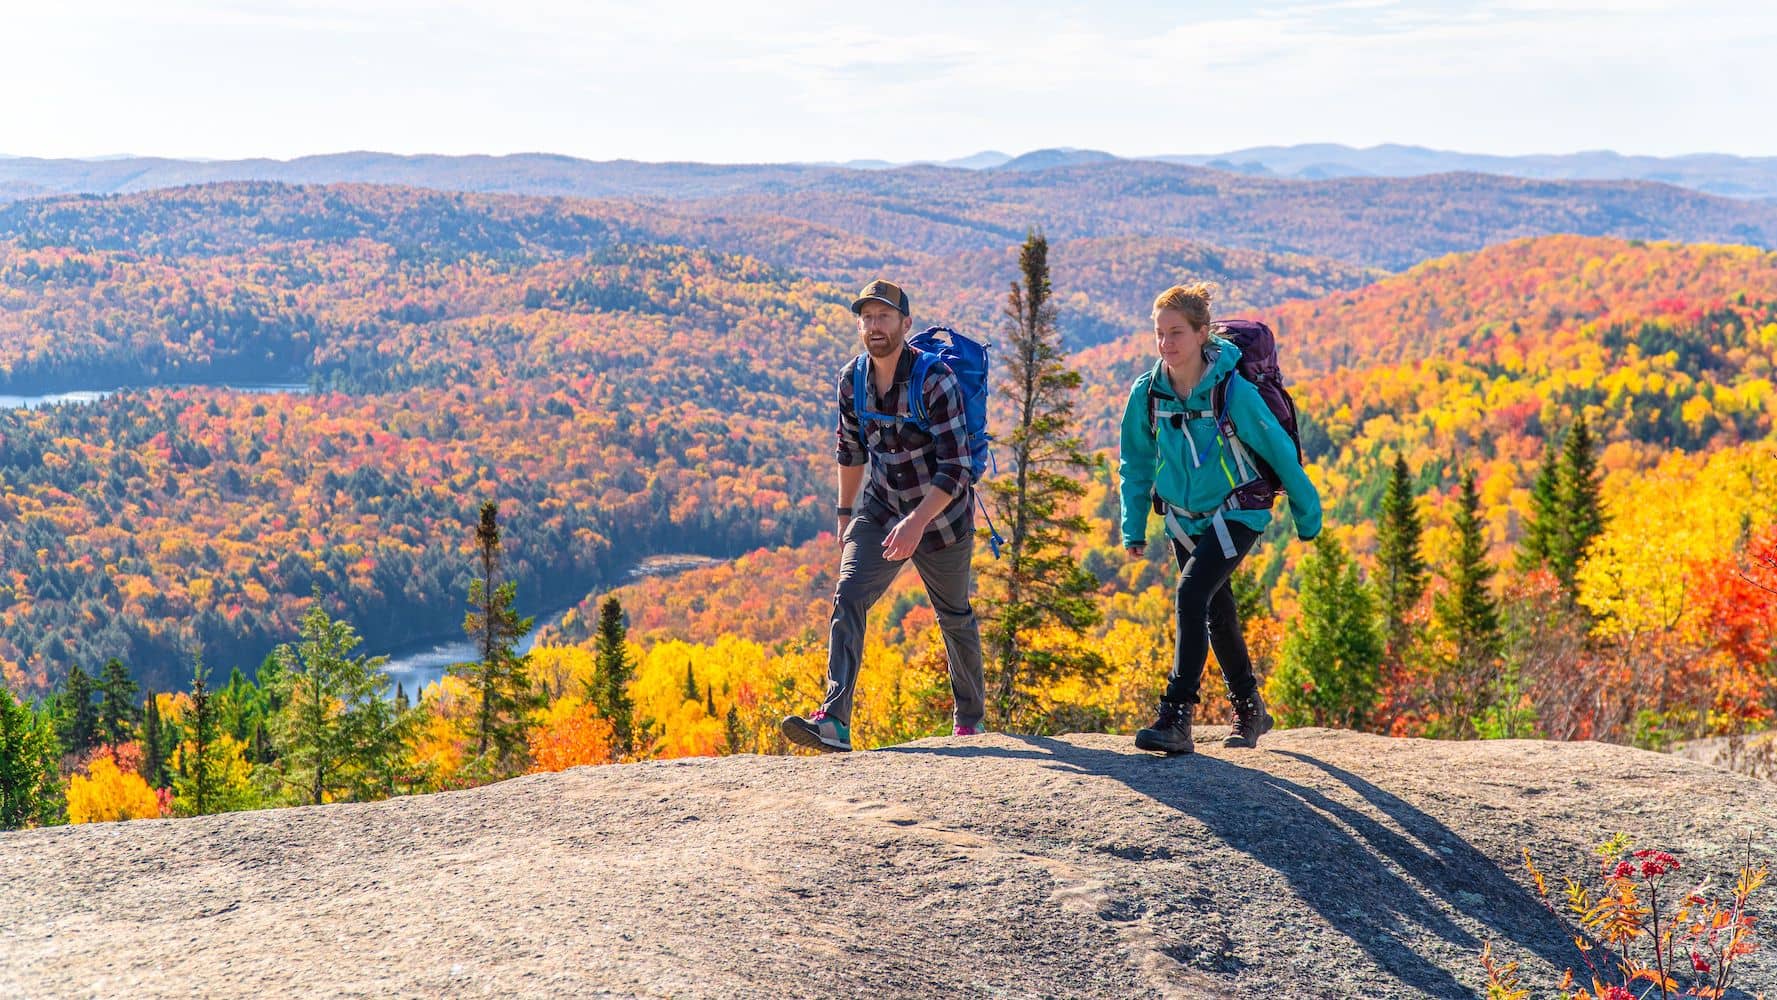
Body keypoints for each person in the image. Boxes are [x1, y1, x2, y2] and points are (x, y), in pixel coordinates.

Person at [780, 279, 987, 753]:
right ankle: (834, 720)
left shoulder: (935, 380)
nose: (875, 326)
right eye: (867, 318)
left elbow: (957, 468)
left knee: (954, 615)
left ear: (905, 324)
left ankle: (970, 722)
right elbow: (849, 450)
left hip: (941, 517)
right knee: (848, 594)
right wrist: (845, 514)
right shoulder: (852, 378)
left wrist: (917, 523)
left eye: (884, 317)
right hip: (881, 505)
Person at [1118, 282, 1322, 754]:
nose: (1166, 344)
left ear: (1202, 333)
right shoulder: (1148, 393)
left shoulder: (1234, 391)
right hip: (1182, 518)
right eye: (1159, 333)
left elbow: (1280, 451)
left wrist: (1306, 512)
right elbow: (1135, 461)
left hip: (1238, 509)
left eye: (1176, 333)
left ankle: (1177, 714)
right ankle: (1250, 707)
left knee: (1191, 593)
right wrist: (1133, 525)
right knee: (1215, 608)